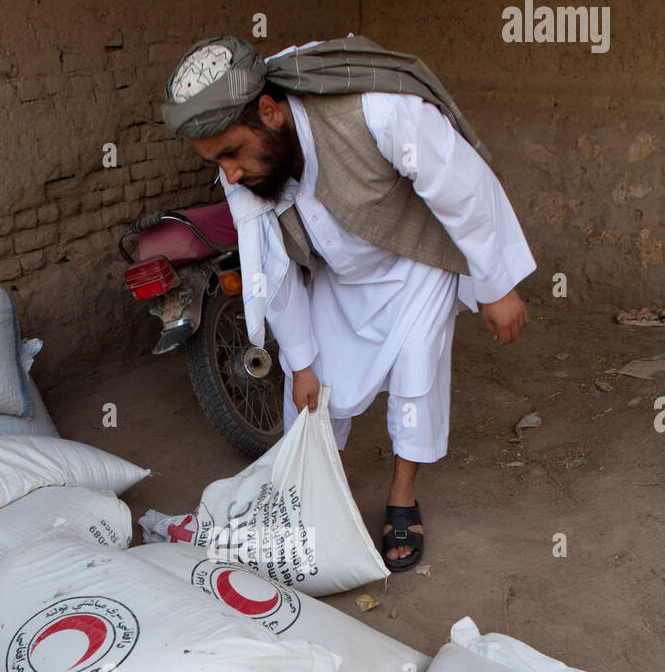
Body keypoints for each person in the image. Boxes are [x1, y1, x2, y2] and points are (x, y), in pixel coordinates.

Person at [162, 36, 535, 570]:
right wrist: (303, 363)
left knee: (416, 379)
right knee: (311, 393)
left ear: (270, 112)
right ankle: (318, 504)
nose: (230, 174)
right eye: (217, 161)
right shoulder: (245, 176)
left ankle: (402, 497)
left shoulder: (376, 111)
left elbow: (462, 186)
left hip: (415, 261)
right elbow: (276, 270)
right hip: (342, 275)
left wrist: (496, 284)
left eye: (231, 152)